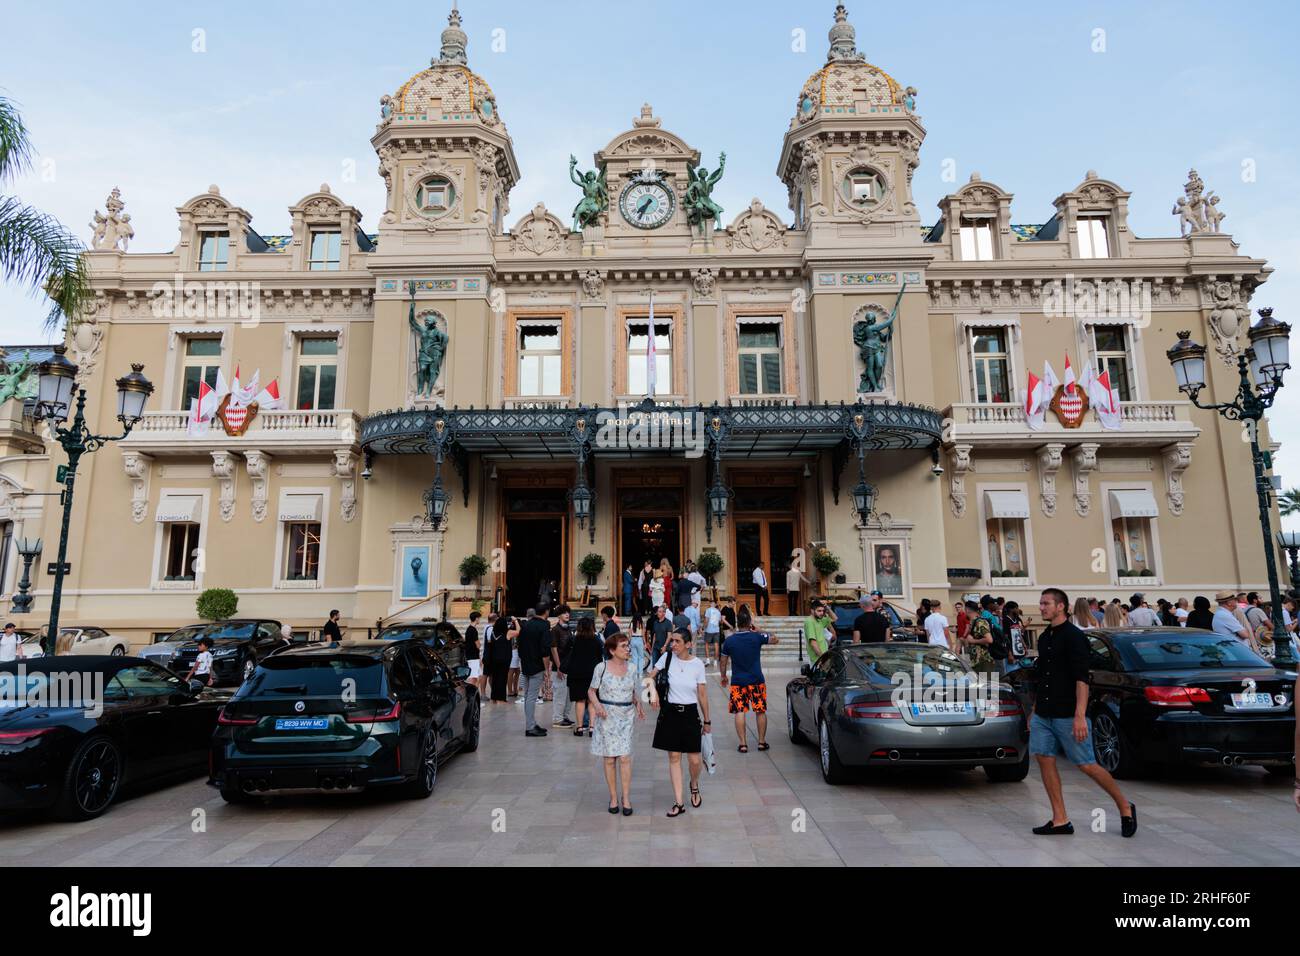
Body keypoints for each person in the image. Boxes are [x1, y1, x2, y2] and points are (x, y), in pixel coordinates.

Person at [1029, 588, 1136, 838]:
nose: (1041, 607)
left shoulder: (1074, 637)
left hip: (1068, 713)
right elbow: (1042, 677)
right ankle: (1060, 820)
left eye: (1046, 603)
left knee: (1086, 764)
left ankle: (1124, 806)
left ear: (1061, 607)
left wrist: (1080, 716)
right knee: (1044, 759)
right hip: (1044, 713)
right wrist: (1034, 711)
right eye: (1041, 603)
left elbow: (1082, 679)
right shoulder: (1045, 637)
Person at [651, 628, 710, 817]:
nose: (673, 644)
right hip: (670, 713)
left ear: (688, 644)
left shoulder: (697, 664)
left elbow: (702, 694)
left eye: (677, 641)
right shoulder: (666, 658)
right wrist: (652, 692)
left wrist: (707, 720)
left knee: (694, 759)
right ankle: (679, 802)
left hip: (690, 713)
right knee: (674, 757)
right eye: (672, 641)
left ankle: (694, 784)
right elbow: (649, 677)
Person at [589, 632, 646, 815]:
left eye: (628, 645)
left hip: (626, 715)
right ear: (613, 650)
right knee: (609, 758)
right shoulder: (601, 667)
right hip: (607, 715)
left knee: (625, 757)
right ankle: (613, 796)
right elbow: (591, 691)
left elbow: (633, 690)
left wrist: (638, 705)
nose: (627, 648)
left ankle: (626, 797)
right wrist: (597, 706)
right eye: (623, 646)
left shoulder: (631, 668)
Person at [720, 608, 776, 753]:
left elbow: (723, 661)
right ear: (749, 622)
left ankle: (743, 744)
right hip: (757, 679)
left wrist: (723, 676)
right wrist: (759, 630)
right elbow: (775, 639)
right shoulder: (757, 637)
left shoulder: (729, 641)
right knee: (760, 710)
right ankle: (762, 742)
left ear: (738, 623)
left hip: (738, 681)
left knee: (739, 711)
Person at [564, 616, 603, 737]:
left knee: (580, 700)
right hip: (593, 673)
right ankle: (592, 728)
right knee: (592, 700)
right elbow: (600, 656)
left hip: (576, 673)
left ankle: (579, 727)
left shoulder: (574, 639)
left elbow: (566, 653)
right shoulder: (597, 640)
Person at [517, 608, 552, 737]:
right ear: (547, 612)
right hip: (537, 665)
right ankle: (530, 727)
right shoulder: (544, 625)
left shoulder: (526, 625)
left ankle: (531, 722)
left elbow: (519, 645)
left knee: (527, 696)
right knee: (532, 697)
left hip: (526, 664)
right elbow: (545, 649)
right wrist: (546, 668)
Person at [550, 606, 576, 729]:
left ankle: (564, 716)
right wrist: (559, 666)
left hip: (569, 665)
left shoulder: (569, 629)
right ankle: (557, 719)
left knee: (568, 695)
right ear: (559, 615)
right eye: (564, 613)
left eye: (568, 613)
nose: (567, 615)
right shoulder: (555, 630)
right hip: (559, 667)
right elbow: (553, 649)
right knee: (560, 694)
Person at [486, 613, 515, 703]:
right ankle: (501, 699)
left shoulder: (493, 634)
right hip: (504, 659)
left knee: (495, 678)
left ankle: (493, 698)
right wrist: (516, 621)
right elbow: (519, 631)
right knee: (502, 678)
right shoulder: (508, 633)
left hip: (494, 659)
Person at [961, 601, 996, 672]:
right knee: (981, 682)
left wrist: (973, 641)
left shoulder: (980, 622)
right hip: (977, 661)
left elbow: (989, 640)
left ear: (967, 610)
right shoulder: (973, 622)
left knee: (989, 682)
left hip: (985, 661)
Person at [464, 610, 482, 693]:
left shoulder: (469, 629)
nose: (479, 620)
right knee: (473, 678)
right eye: (479, 618)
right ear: (476, 619)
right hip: (472, 657)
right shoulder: (473, 630)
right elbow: (478, 645)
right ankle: (472, 697)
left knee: (477, 677)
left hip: (472, 656)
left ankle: (474, 697)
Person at [702, 598, 723, 665]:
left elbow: (706, 620)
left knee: (706, 644)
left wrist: (703, 628)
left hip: (709, 630)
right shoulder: (718, 611)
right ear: (715, 604)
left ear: (710, 603)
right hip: (716, 630)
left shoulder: (708, 610)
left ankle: (708, 660)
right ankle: (715, 661)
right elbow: (720, 621)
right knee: (716, 645)